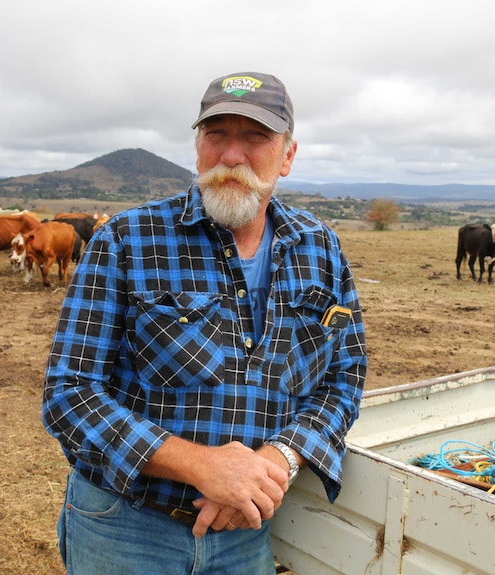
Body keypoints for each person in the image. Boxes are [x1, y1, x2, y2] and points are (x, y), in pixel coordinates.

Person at [42, 72, 367, 574]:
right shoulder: (128, 240)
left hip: (245, 532)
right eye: (217, 135)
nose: (232, 155)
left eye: (256, 137)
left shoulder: (320, 248)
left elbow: (343, 377)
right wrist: (203, 466)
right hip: (126, 528)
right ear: (197, 146)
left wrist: (278, 460)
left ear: (287, 155)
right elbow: (69, 393)